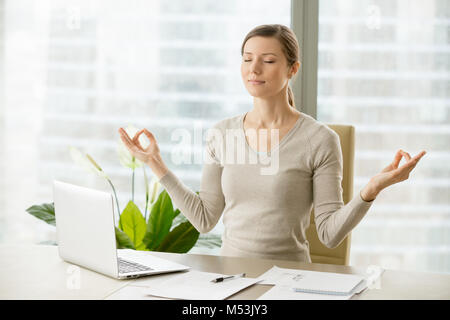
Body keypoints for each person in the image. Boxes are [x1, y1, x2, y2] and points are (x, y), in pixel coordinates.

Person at [118, 24, 426, 262]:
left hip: (289, 280)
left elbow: (329, 235)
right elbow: (204, 219)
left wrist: (371, 189)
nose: (254, 69)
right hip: (230, 281)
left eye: (267, 60)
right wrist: (154, 163)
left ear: (293, 69)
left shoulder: (320, 140)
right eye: (247, 59)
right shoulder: (221, 134)